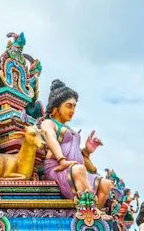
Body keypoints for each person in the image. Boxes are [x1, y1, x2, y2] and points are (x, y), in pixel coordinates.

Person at [41, 79, 112, 211]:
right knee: (79, 169)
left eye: (74, 106)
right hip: (57, 168)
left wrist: (87, 151)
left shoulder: (71, 131)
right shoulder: (48, 123)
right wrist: (62, 160)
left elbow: (82, 161)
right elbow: (50, 138)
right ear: (56, 108)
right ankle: (90, 213)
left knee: (106, 184)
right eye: (69, 105)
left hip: (74, 170)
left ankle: (94, 214)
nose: (73, 110)